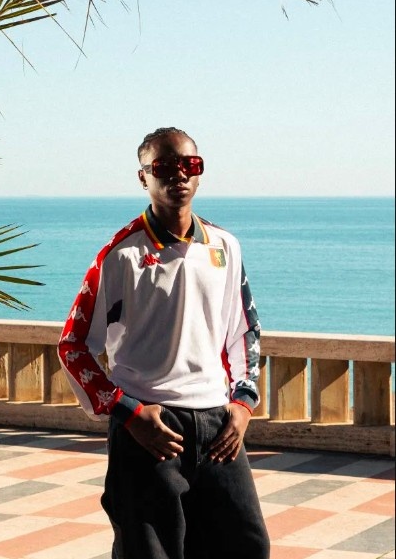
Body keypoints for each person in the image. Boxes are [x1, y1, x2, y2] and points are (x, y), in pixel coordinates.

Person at [58, 127, 270, 559]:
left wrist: (243, 404)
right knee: (149, 552)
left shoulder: (225, 247)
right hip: (148, 428)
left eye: (190, 165)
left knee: (247, 546)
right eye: (164, 167)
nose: (180, 175)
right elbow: (73, 345)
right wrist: (129, 413)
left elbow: (244, 332)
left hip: (218, 426)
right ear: (144, 177)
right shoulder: (120, 256)